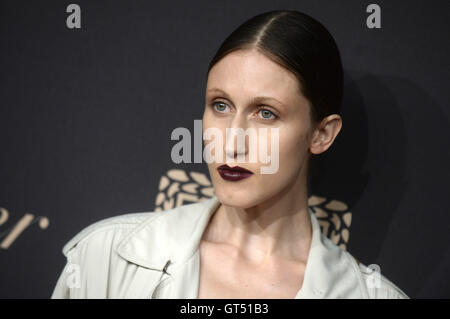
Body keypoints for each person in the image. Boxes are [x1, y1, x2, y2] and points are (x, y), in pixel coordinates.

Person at [51, 10, 409, 299]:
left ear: (321, 133)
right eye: (220, 105)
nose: (231, 142)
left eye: (266, 113)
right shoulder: (104, 256)